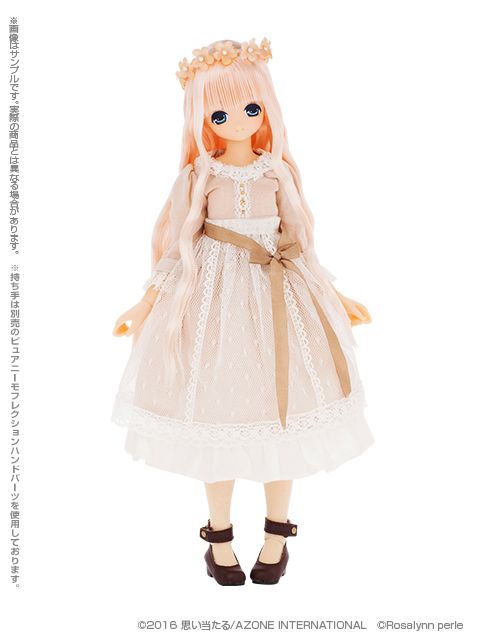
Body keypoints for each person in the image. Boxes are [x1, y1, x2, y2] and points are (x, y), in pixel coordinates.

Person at [111, 37, 374, 586]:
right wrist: (147, 300)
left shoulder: (277, 173)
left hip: (280, 300)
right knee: (218, 415)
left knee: (285, 412)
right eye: (220, 113)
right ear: (202, 119)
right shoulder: (199, 176)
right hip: (214, 304)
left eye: (251, 108)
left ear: (266, 108)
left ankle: (277, 535)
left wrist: (333, 293)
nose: (237, 121)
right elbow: (177, 248)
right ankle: (220, 538)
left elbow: (301, 242)